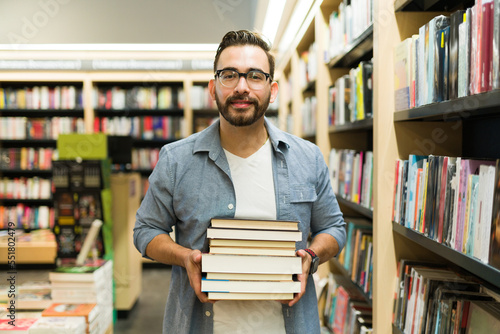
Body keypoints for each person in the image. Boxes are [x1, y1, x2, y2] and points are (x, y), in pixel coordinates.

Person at [133, 29, 346, 334]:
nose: (242, 87)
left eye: (255, 76)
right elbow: (145, 230)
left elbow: (334, 228)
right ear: (213, 87)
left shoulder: (307, 158)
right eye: (229, 75)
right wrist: (185, 258)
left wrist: (311, 257)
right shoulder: (176, 159)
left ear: (272, 90)